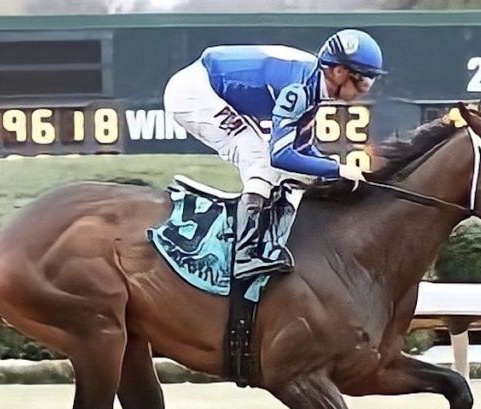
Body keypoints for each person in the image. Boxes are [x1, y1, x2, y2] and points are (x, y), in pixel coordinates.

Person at [162, 29, 386, 280]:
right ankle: (245, 255)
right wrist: (337, 169)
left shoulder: (313, 86)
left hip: (209, 85)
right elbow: (279, 156)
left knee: (279, 166)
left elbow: (300, 151)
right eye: (362, 81)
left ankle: (270, 240)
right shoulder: (298, 91)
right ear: (339, 72)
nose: (366, 90)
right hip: (193, 92)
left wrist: (333, 168)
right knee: (258, 159)